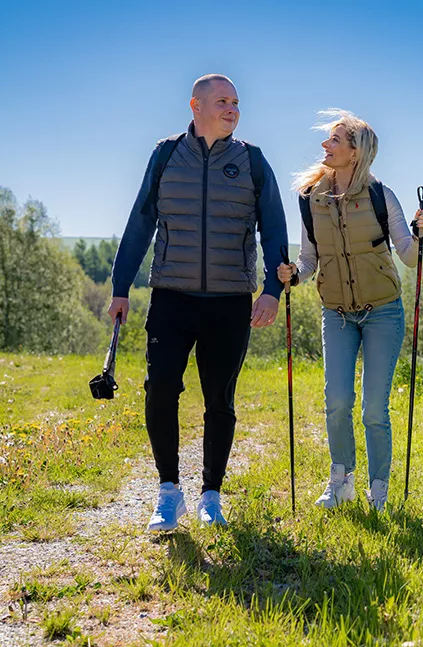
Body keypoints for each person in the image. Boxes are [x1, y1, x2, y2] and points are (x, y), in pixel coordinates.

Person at [109, 74, 288, 531]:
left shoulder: (252, 161)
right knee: (160, 388)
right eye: (223, 101)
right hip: (172, 295)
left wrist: (271, 289)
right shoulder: (167, 154)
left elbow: (275, 228)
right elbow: (140, 221)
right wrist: (120, 287)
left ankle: (212, 495)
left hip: (230, 301)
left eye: (236, 102)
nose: (232, 109)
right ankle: (169, 493)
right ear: (196, 105)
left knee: (219, 401)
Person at [277, 110, 423, 512]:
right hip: (337, 313)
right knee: (338, 400)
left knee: (374, 409)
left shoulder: (382, 195)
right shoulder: (311, 199)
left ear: (355, 152)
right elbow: (309, 260)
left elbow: (410, 258)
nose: (325, 146)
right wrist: (293, 274)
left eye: (334, 140)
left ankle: (378, 489)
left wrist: (421, 234)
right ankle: (340, 481)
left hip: (383, 312)